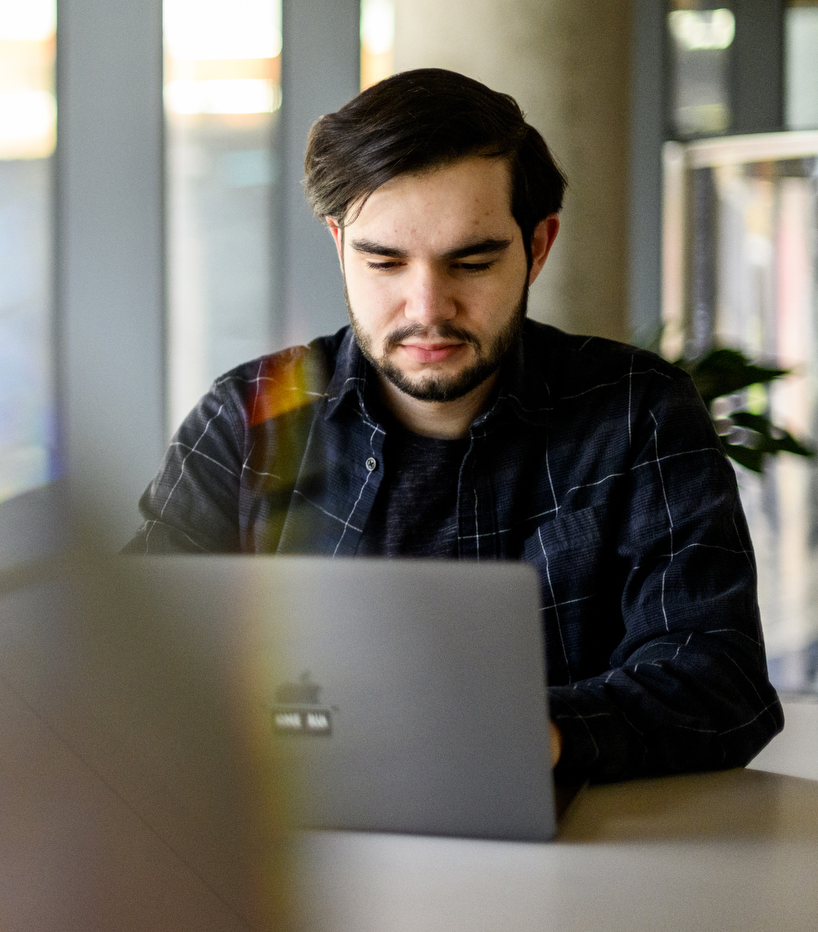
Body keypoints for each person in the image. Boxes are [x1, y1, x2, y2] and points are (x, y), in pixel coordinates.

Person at [126, 68, 782, 784]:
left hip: (573, 870)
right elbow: (129, 654)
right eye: (384, 261)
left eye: (471, 262)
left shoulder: (636, 411)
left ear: (537, 246)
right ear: (338, 243)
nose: (428, 307)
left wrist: (517, 738)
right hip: (291, 865)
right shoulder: (247, 415)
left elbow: (720, 683)